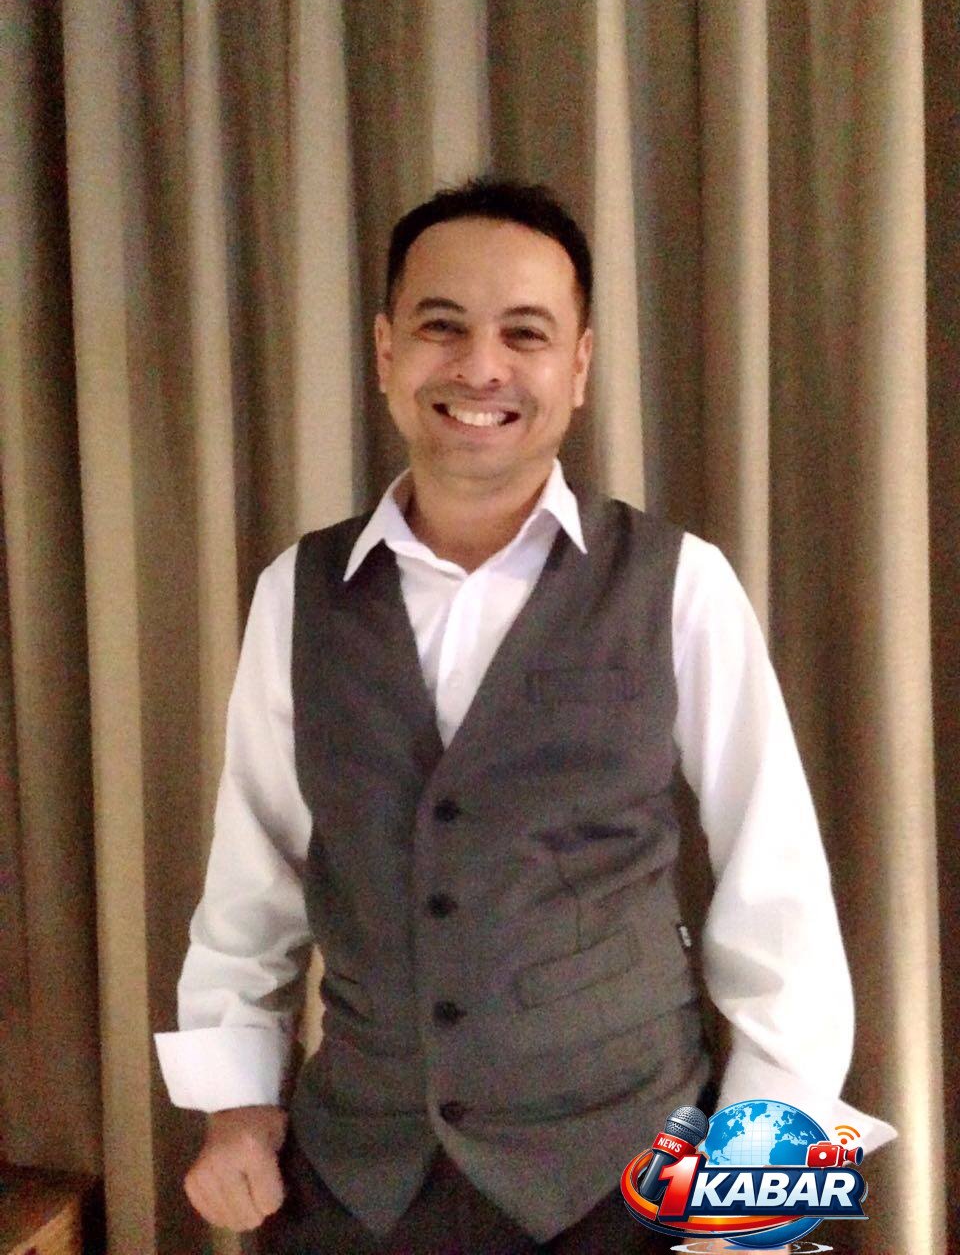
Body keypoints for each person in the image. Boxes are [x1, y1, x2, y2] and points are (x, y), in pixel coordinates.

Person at [154, 179, 894, 1253]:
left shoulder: (679, 583)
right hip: (358, 1181)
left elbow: (775, 889)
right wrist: (235, 1102)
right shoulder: (297, 591)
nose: (481, 366)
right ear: (385, 352)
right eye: (441, 326)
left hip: (630, 1180)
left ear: (579, 367)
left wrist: (753, 1190)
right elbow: (252, 879)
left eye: (525, 333)